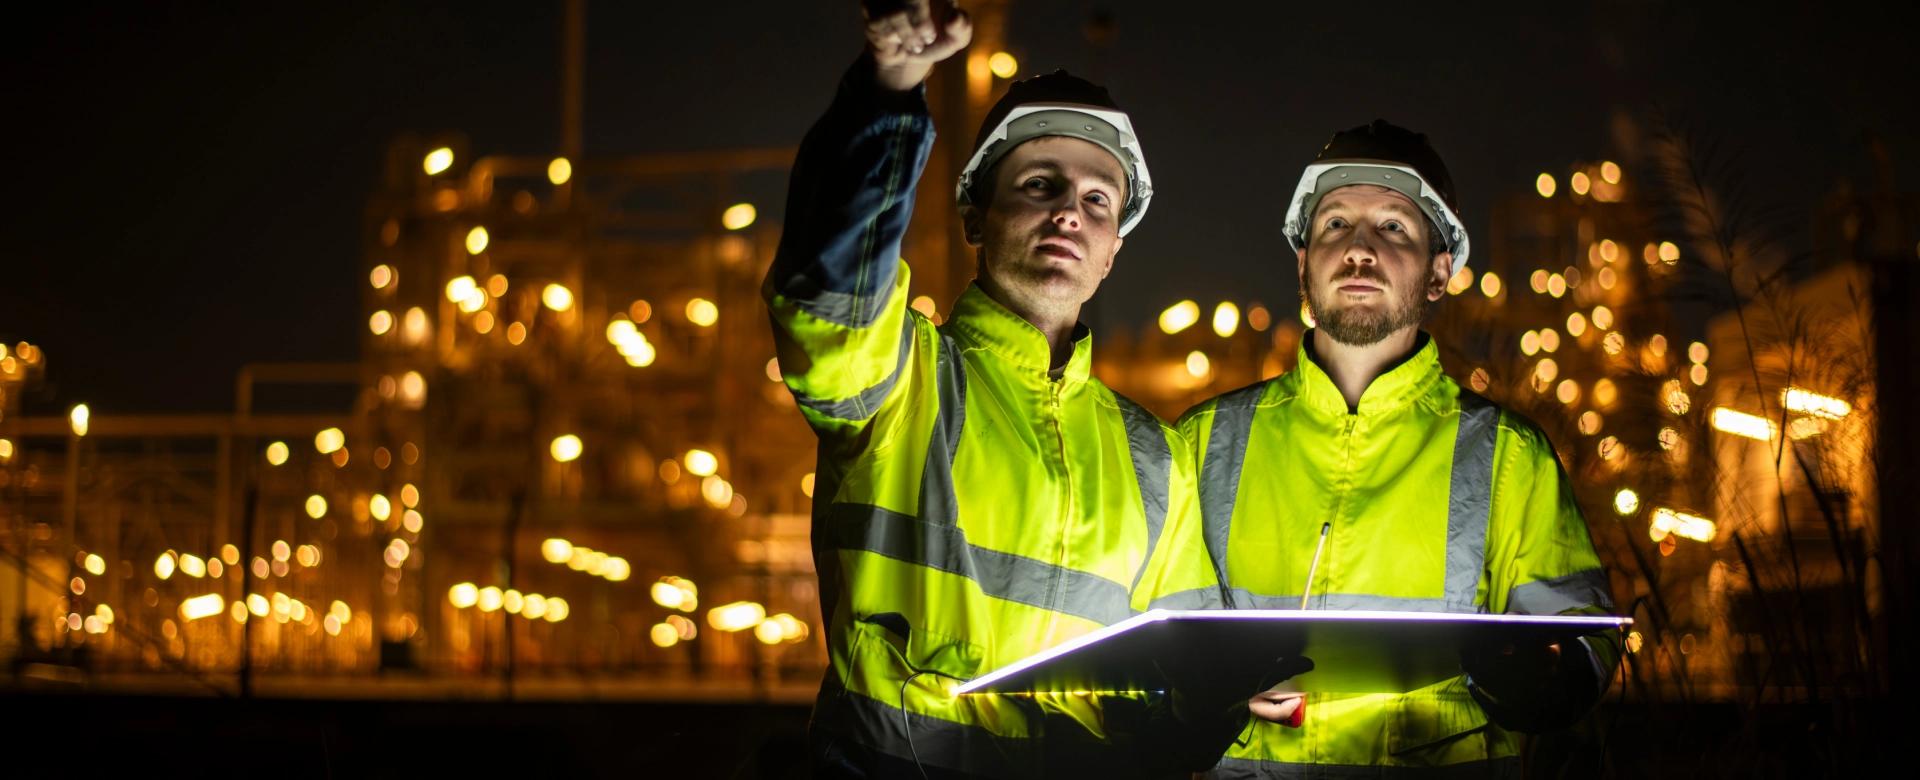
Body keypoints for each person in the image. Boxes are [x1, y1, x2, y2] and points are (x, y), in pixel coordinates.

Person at [765, 1, 1250, 776]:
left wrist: (1235, 699)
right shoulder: (900, 379)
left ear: (1113, 252)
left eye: (1098, 200)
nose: (1068, 210)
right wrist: (889, 92)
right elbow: (825, 291)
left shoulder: (1156, 462)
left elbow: (1177, 672)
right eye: (1039, 183)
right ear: (974, 218)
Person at [1176, 120, 1621, 778]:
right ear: (1302, 260)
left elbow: (1584, 650)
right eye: (1334, 226)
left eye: (1392, 228)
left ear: (1441, 271)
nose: (1359, 251)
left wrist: (1522, 677)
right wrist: (1204, 690)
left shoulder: (1506, 456)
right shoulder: (1204, 442)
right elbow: (1139, 650)